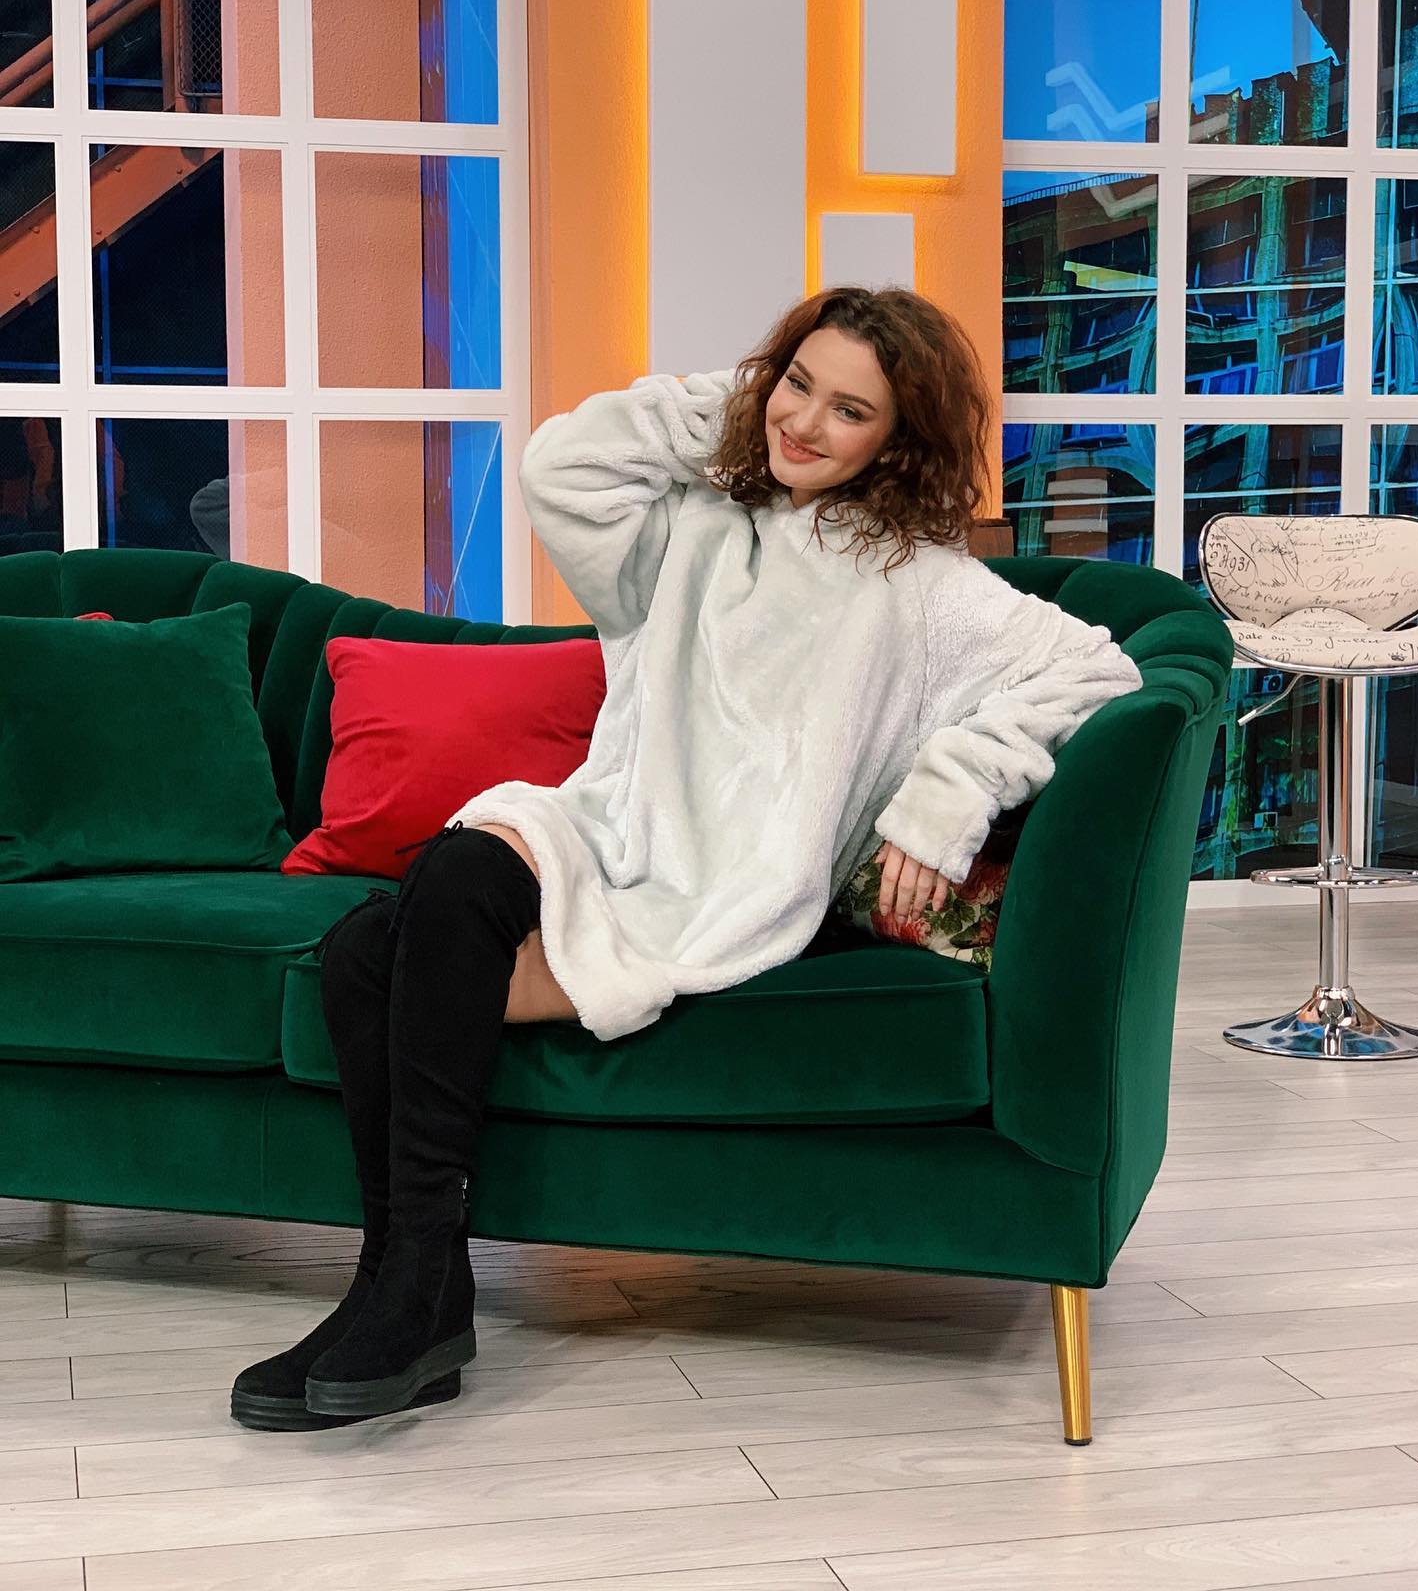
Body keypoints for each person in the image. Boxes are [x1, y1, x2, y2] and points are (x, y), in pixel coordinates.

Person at [229, 286, 1145, 1432]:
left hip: (731, 877)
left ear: (898, 439)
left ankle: (410, 1289)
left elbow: (1099, 672)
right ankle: (412, 1286)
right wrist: (749, 404)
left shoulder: (922, 586)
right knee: (431, 894)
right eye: (798, 384)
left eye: (849, 410)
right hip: (611, 823)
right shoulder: (695, 524)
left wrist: (946, 793)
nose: (806, 423)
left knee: (372, 953)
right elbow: (562, 465)